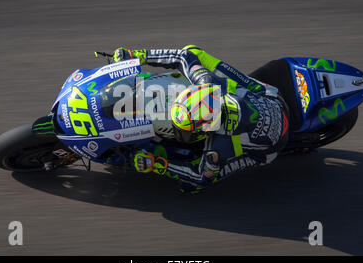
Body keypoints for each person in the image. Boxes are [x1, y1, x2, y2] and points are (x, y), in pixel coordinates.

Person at [113, 45, 290, 194]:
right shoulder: (206, 81)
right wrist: (136, 56)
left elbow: (200, 176)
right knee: (192, 51)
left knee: (194, 184)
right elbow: (183, 56)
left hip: (271, 148)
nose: (179, 133)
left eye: (185, 132)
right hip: (270, 96)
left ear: (205, 130)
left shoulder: (219, 148)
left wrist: (159, 165)